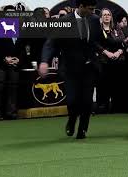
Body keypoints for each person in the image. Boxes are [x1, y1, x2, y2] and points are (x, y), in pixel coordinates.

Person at [39, 0, 101, 139]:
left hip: (89, 67)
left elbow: (98, 41)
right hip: (71, 69)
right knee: (72, 101)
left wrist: (119, 44)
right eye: (90, 8)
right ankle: (72, 120)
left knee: (87, 101)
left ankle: (83, 129)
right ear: (80, 6)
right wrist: (44, 61)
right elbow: (50, 43)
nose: (92, 12)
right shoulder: (65, 21)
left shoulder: (95, 20)